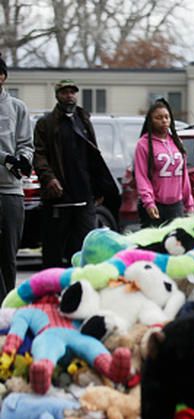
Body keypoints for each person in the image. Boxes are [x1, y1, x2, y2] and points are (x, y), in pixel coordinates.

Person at [33, 79, 118, 268]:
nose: (69, 95)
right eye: (65, 92)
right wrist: (49, 179)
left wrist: (98, 188)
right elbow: (39, 156)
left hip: (84, 197)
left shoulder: (83, 120)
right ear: (57, 95)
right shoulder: (46, 123)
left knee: (83, 248)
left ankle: (80, 287)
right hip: (59, 197)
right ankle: (53, 290)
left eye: (72, 92)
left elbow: (93, 154)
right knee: (54, 251)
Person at [0, 56, 33, 297]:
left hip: (11, 191)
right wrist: (5, 158)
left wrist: (23, 159)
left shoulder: (18, 107)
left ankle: (7, 308)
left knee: (9, 256)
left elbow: (26, 143)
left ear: (3, 77)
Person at [134, 98, 194, 228]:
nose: (164, 121)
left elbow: (184, 176)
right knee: (154, 246)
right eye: (158, 118)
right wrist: (149, 202)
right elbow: (141, 176)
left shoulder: (177, 142)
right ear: (150, 121)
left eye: (167, 117)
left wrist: (189, 203)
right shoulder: (143, 144)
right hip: (155, 206)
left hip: (176, 206)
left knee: (175, 245)